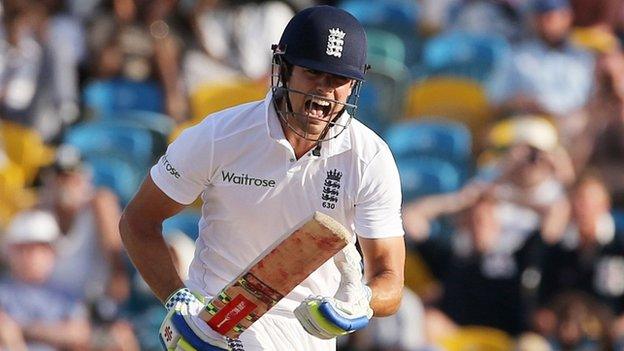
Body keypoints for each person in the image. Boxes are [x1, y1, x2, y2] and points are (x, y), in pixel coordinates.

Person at [119, 5, 405, 351]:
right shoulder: (220, 135)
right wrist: (178, 299)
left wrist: (361, 300)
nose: (324, 91)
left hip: (305, 332)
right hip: (215, 323)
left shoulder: (368, 157)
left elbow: (391, 279)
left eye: (338, 80)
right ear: (284, 69)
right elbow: (138, 221)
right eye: (313, 73)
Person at [0, 209, 91, 351]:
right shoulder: (3, 290)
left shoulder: (65, 293)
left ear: (53, 253)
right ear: (10, 252)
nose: (31, 256)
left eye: (40, 249)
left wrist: (23, 329)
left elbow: (78, 335)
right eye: (23, 249)